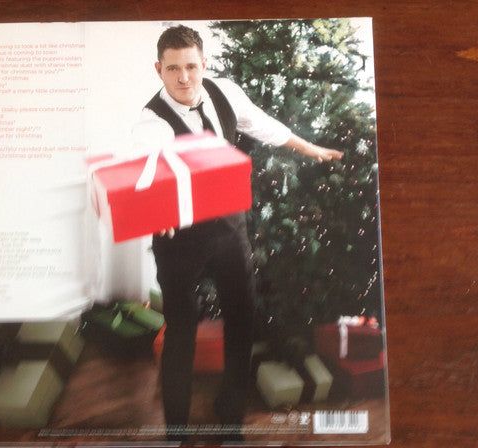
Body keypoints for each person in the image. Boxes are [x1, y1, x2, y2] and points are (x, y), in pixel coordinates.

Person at [137, 24, 343, 441]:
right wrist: (155, 208)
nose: (184, 78)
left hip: (230, 228)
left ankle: (230, 417)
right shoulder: (150, 122)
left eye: (191, 67)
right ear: (158, 69)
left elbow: (263, 125)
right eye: (173, 69)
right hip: (179, 238)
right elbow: (143, 168)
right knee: (180, 330)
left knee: (242, 318)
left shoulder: (224, 92)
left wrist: (309, 148)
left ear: (204, 63)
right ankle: (175, 429)